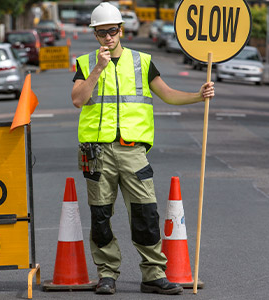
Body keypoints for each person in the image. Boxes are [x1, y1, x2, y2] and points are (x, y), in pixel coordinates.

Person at [71, 2, 214, 296]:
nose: (108, 37)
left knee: (146, 213)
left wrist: (197, 96)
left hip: (134, 152)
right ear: (95, 35)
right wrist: (98, 67)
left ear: (121, 30)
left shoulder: (142, 61)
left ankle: (153, 274)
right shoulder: (85, 63)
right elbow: (78, 99)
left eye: (112, 31)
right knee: (100, 216)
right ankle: (107, 274)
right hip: (97, 153)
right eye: (101, 32)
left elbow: (169, 95)